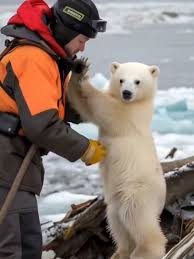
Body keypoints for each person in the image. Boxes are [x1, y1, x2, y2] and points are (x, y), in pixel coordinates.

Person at [0, 0, 107, 258]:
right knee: (13, 248)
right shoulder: (34, 58)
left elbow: (58, 108)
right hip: (5, 160)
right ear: (68, 31)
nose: (82, 47)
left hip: (16, 161)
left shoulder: (49, 58)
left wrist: (99, 109)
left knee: (27, 244)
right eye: (82, 39)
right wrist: (85, 149)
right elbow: (42, 124)